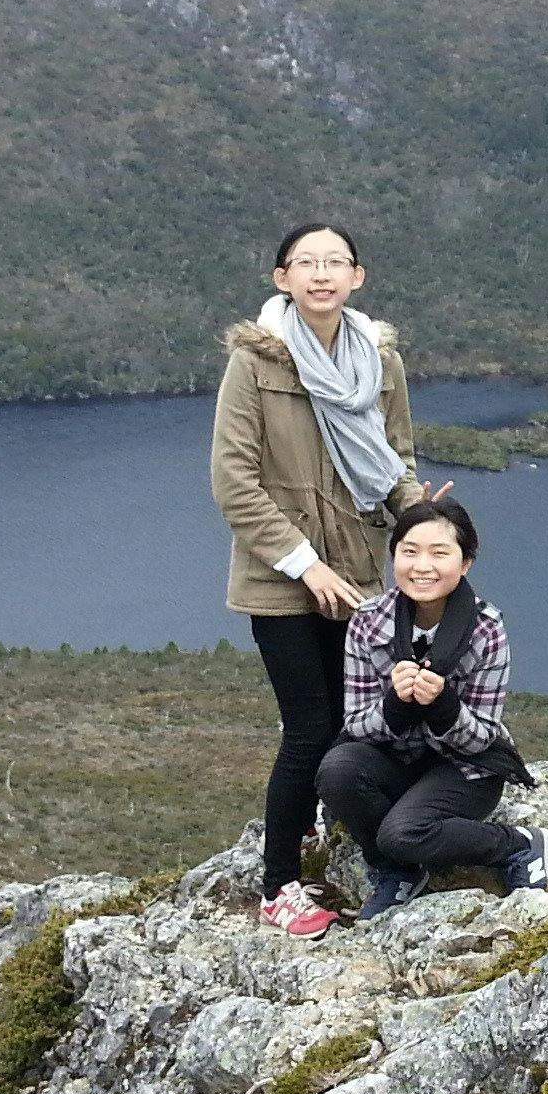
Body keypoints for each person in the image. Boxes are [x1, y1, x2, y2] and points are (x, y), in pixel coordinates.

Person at [210, 221, 424, 940]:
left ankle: (321, 829)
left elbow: (394, 461)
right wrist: (305, 563)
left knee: (352, 722)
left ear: (357, 277)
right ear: (283, 279)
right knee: (308, 729)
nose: (322, 274)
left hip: (357, 570)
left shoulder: (379, 361)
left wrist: (421, 515)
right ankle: (280, 886)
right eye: (307, 263)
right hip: (281, 580)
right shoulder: (255, 362)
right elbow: (234, 482)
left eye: (336, 263)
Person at [315, 497, 548, 920]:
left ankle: (518, 844)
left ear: (465, 564)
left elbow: (482, 737)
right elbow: (355, 725)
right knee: (337, 771)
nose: (422, 566)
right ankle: (398, 871)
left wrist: (444, 707)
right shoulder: (369, 621)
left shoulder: (486, 630)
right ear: (394, 556)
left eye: (439, 553)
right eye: (409, 551)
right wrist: (394, 706)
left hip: (464, 768)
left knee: (403, 834)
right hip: (396, 758)